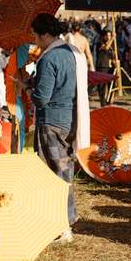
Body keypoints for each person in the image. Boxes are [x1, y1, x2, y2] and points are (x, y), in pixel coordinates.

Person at [31, 13, 77, 236]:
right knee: (62, 168)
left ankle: (62, 224)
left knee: (55, 172)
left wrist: (29, 88)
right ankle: (63, 219)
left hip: (50, 119)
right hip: (65, 117)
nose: (35, 40)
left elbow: (42, 97)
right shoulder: (67, 51)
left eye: (36, 35)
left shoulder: (49, 58)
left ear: (46, 34)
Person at [61, 24, 91, 151]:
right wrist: (92, 67)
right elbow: (88, 54)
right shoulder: (84, 40)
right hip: (81, 65)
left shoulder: (67, 39)